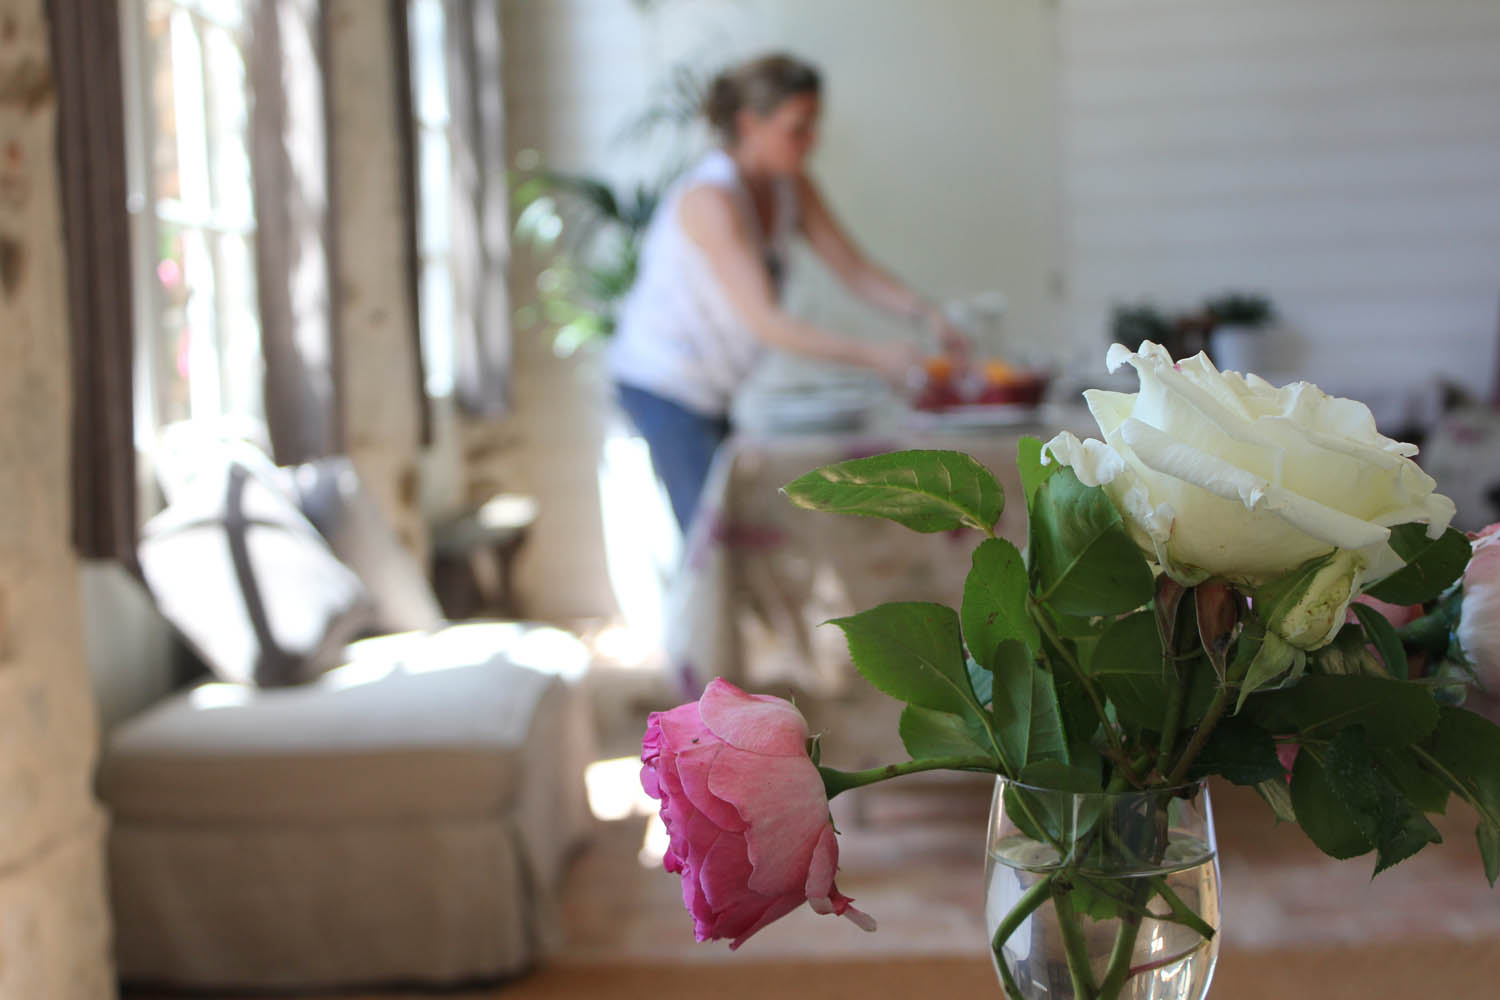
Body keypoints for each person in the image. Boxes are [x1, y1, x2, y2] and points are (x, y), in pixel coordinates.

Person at [609, 52, 969, 533]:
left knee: (735, 532)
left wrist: (927, 315)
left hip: (715, 392)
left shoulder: (791, 187)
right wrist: (876, 356)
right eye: (797, 128)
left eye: (814, 125)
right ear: (749, 125)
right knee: (710, 540)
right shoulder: (710, 200)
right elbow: (765, 320)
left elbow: (854, 269)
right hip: (663, 385)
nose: (812, 140)